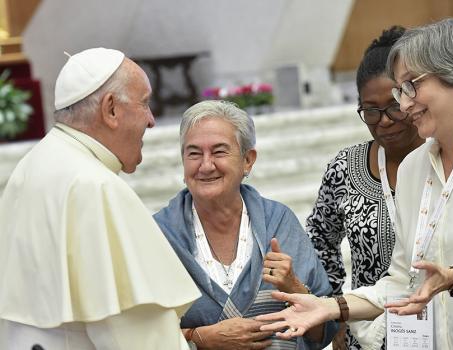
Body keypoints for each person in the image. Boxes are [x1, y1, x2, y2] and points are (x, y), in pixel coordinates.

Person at [256, 18, 453, 349]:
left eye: (411, 86)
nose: (403, 104)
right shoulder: (415, 168)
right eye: (400, 90)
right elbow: (402, 281)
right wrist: (330, 308)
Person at [0, 48, 200, 350]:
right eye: (144, 103)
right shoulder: (95, 187)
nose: (151, 120)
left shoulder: (32, 165)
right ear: (111, 110)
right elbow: (134, 335)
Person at [153, 100, 337, 350]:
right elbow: (138, 334)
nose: (206, 165)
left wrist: (293, 286)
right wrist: (200, 338)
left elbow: (322, 333)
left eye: (219, 152)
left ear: (248, 160)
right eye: (194, 153)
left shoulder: (278, 222)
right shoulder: (159, 235)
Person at [306, 26, 423, 350]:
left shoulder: (447, 157)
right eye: (370, 110)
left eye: (394, 106)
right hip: (369, 336)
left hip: (445, 329)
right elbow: (318, 239)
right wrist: (336, 312)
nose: (384, 121)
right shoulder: (345, 168)